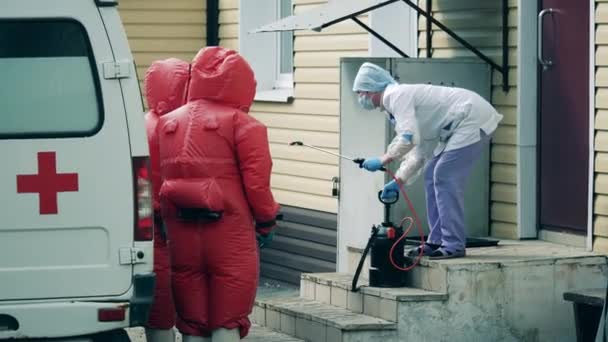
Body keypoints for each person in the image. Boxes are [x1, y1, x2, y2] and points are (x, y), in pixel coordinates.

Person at [157, 47, 280, 342]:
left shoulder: (168, 123)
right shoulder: (244, 124)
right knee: (227, 315)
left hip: (181, 231)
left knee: (192, 318)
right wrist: (267, 220)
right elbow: (257, 185)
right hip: (230, 233)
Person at [353, 62, 503, 259]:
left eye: (361, 92)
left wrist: (383, 160)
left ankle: (454, 244)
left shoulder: (395, 95)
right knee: (432, 174)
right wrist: (399, 181)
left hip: (472, 117)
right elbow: (418, 150)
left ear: (372, 89)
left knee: (445, 175)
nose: (360, 98)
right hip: (456, 125)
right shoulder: (393, 106)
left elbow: (408, 137)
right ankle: (437, 240)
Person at [143, 58, 190, 342]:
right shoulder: (181, 126)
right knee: (187, 300)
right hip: (179, 220)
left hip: (146, 221)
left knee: (159, 301)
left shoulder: (141, 122)